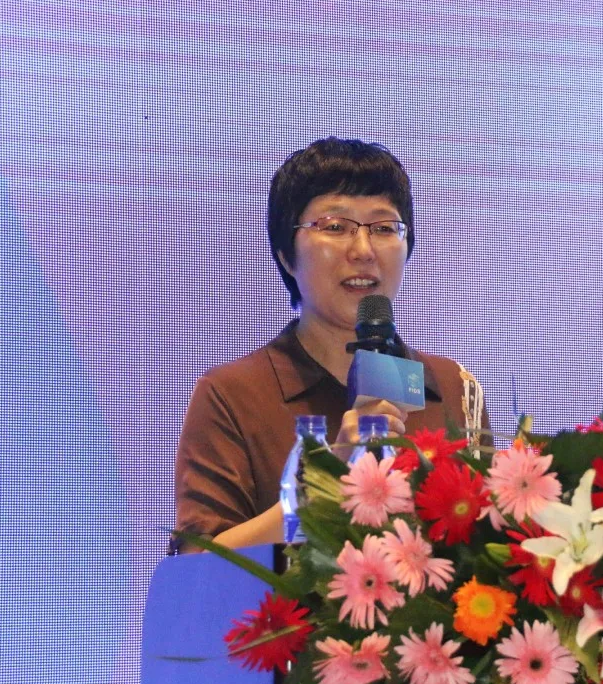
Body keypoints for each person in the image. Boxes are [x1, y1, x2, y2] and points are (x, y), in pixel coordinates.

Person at [174, 137, 488, 550]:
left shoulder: (451, 387)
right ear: (286, 255)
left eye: (383, 228)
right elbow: (199, 563)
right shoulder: (233, 394)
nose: (363, 250)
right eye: (335, 227)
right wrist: (324, 480)